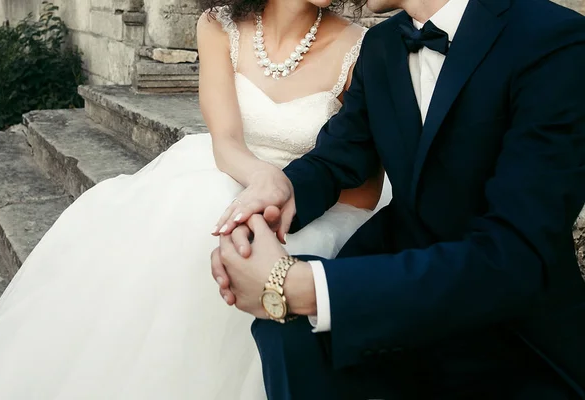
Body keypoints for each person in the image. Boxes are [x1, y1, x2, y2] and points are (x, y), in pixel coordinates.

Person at [0, 1, 389, 398]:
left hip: (308, 203)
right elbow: (226, 143)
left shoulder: (362, 47)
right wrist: (266, 182)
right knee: (194, 209)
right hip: (232, 170)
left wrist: (281, 201)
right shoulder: (219, 25)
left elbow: (360, 186)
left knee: (259, 241)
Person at [213, 0, 585, 398]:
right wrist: (278, 196)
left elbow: (515, 255)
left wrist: (300, 285)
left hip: (511, 333)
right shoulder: (382, 44)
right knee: (284, 326)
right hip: (399, 301)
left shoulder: (554, 38)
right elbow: (339, 158)